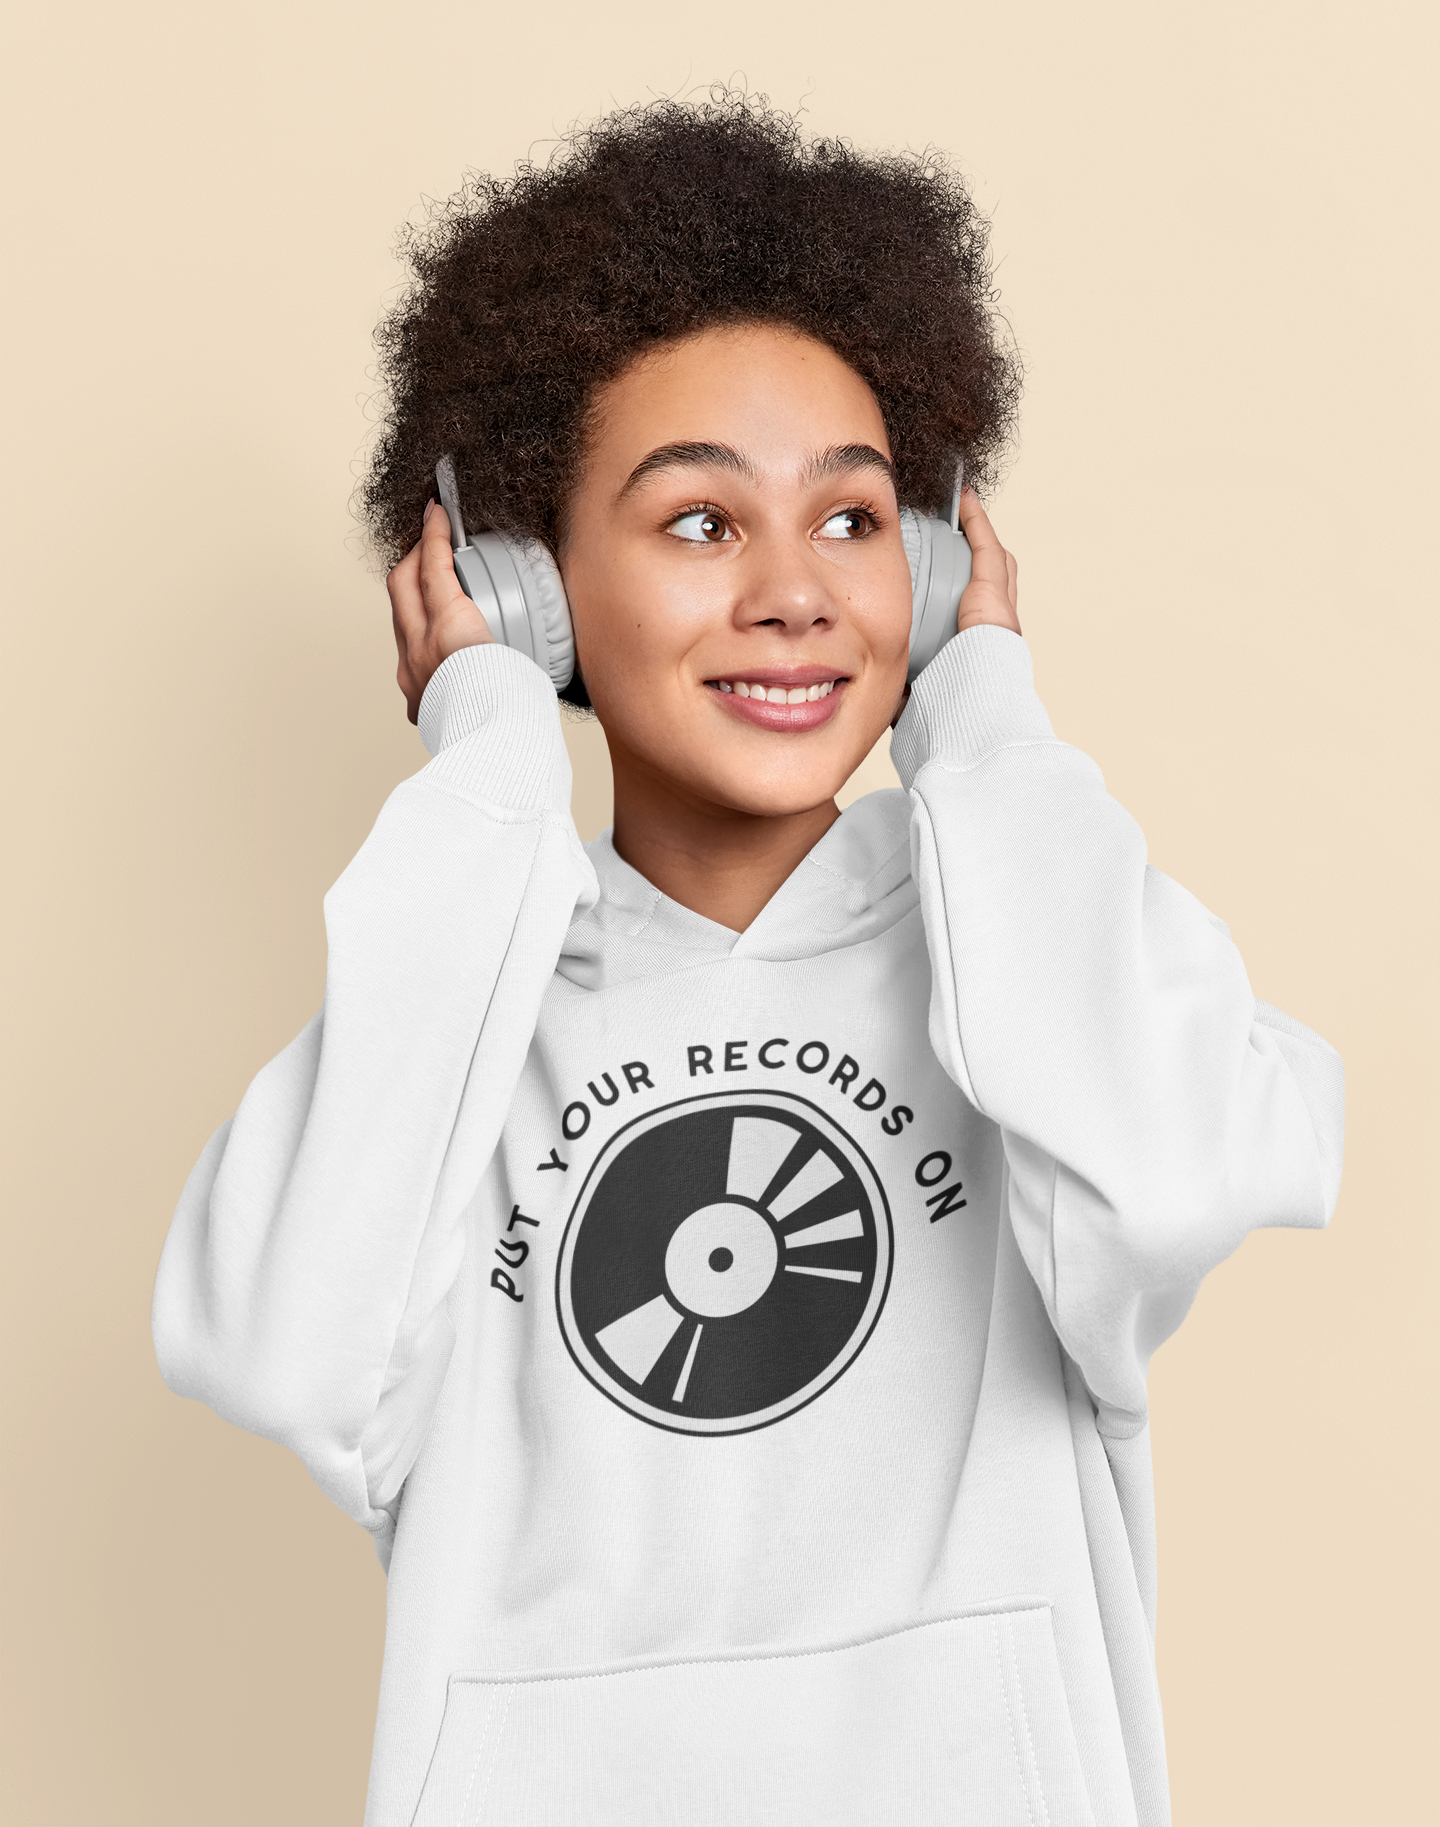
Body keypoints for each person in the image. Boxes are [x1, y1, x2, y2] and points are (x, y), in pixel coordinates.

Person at [152, 95, 1343, 1827]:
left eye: (856, 522)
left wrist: (986, 714)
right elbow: (273, 1345)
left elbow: (1171, 1175)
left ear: (933, 574)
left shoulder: (1022, 956)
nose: (796, 591)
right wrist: (484, 757)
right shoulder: (464, 1002)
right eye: (702, 522)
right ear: (530, 585)